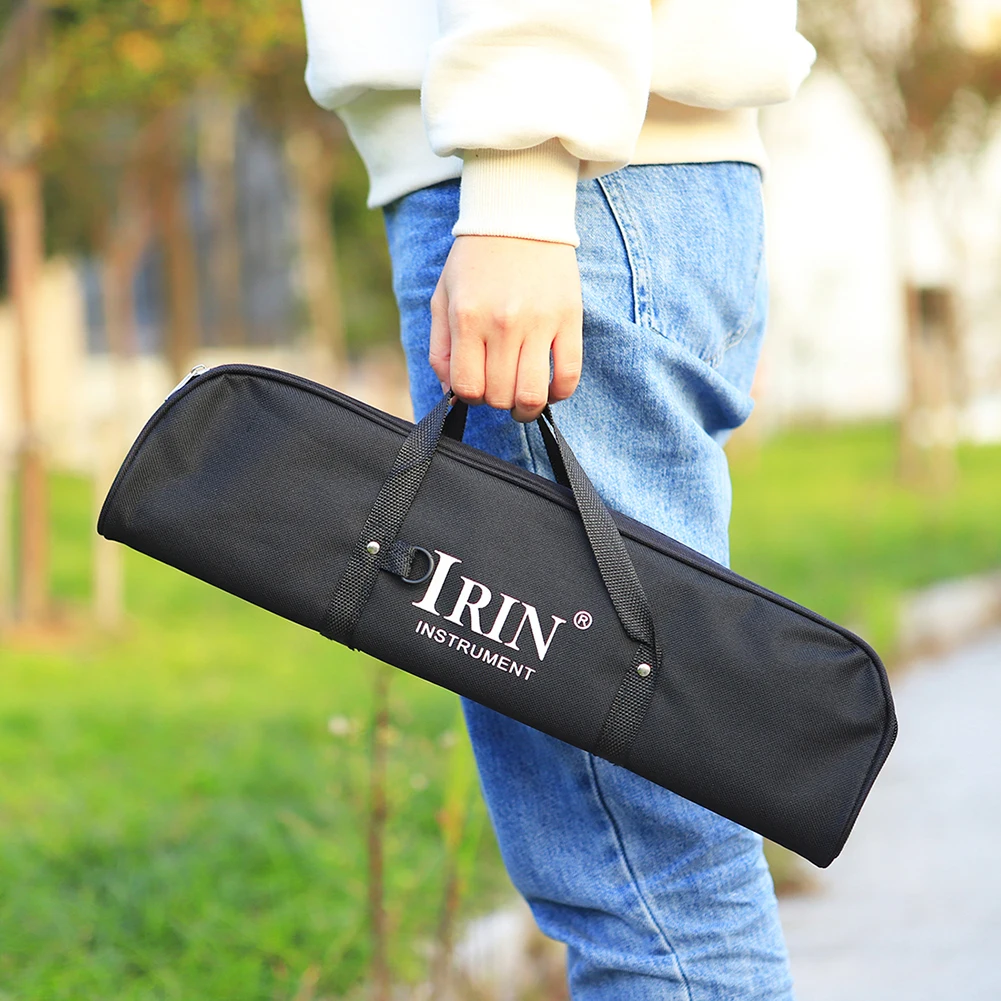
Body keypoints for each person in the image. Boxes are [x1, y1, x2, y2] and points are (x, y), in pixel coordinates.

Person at [300, 2, 816, 997]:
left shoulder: (525, 185)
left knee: (647, 891)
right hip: (609, 182)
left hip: (551, 196)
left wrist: (519, 180)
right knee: (658, 873)